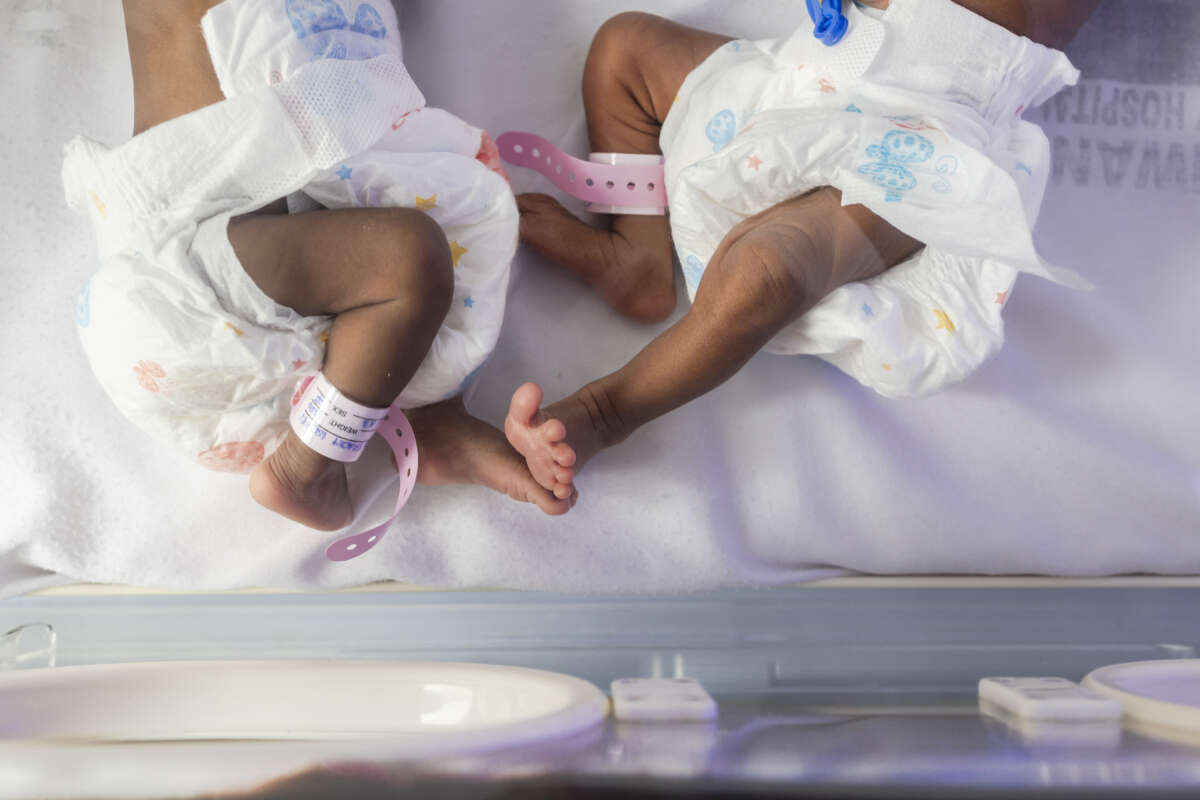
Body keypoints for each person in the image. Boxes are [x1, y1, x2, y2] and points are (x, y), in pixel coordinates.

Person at [504, 0, 1099, 503]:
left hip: (915, 146)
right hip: (797, 82)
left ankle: (609, 410)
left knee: (770, 268)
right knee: (625, 47)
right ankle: (636, 251)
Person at [65, 0, 575, 533]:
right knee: (412, 256)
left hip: (268, 284)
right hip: (188, 275)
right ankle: (308, 467)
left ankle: (421, 419)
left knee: (403, 267)